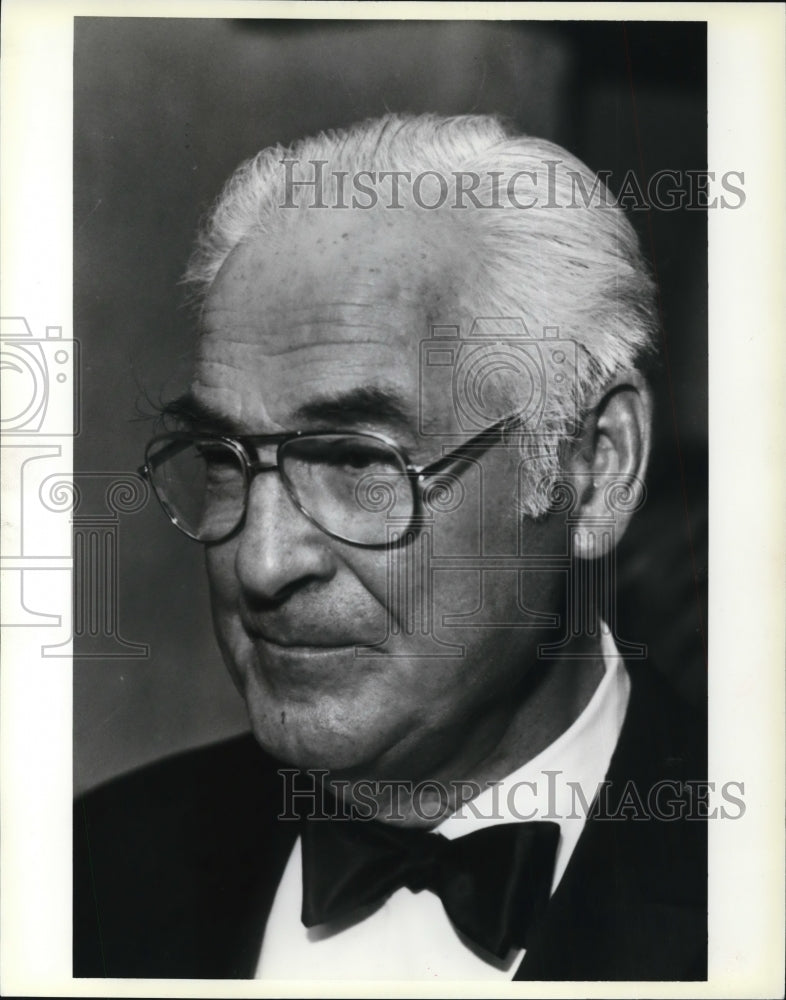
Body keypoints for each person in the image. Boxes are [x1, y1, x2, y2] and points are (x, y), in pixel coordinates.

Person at [74, 113, 707, 981]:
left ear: (594, 472)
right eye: (222, 460)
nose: (262, 564)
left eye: (357, 460)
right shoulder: (89, 875)